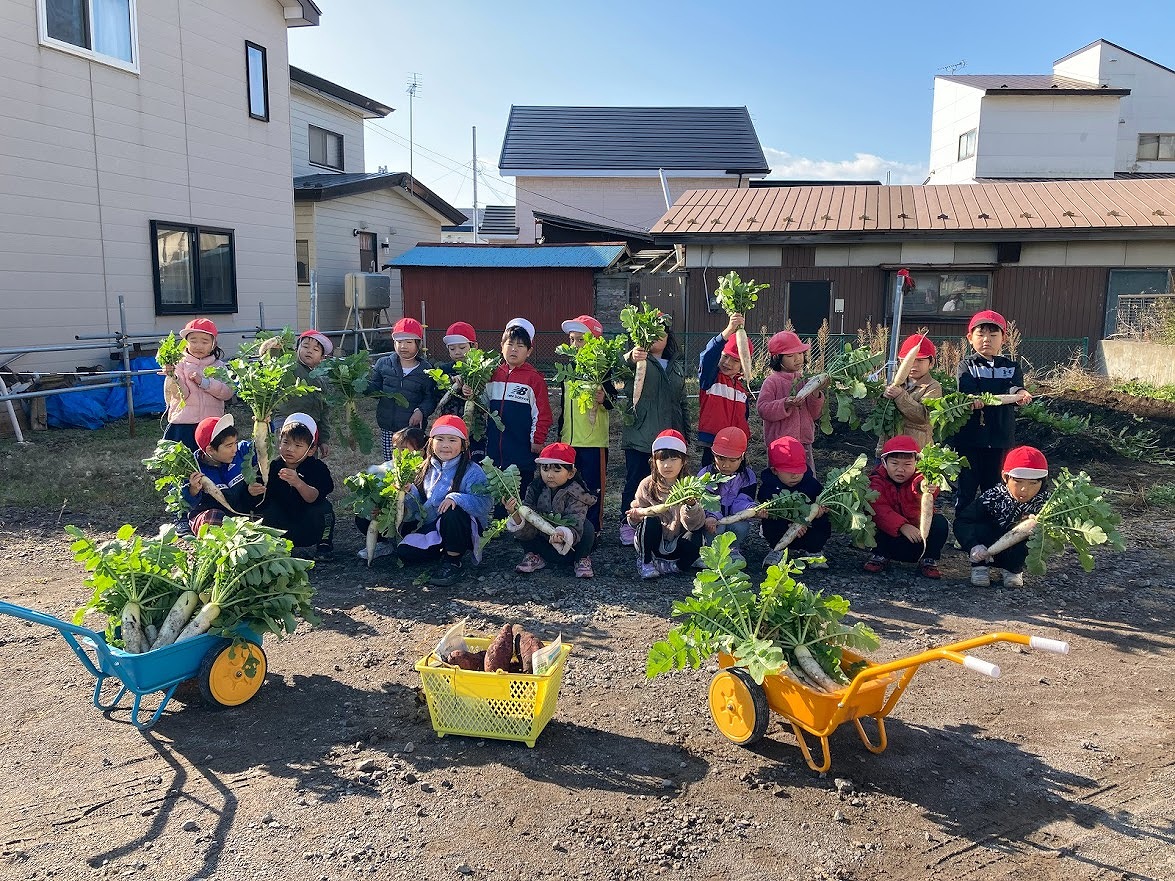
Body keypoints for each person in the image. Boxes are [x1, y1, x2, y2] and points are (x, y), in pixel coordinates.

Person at [617, 315, 690, 546]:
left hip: (670, 436)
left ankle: (665, 524)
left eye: (663, 331)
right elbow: (615, 371)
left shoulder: (677, 365)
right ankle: (627, 522)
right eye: (653, 331)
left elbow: (682, 401)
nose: (658, 336)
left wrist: (685, 432)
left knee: (667, 482)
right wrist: (630, 357)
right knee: (636, 479)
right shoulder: (635, 360)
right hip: (640, 433)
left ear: (669, 337)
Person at [396, 415, 493, 587]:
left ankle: (453, 560)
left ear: (463, 445)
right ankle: (441, 549)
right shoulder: (424, 468)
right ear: (431, 443)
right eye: (439, 439)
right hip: (433, 525)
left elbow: (485, 503)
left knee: (453, 511)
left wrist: (456, 497)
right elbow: (419, 508)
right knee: (405, 553)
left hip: (463, 528)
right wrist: (409, 492)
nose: (445, 445)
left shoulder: (472, 471)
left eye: (452, 440)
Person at [954, 310, 1033, 509]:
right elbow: (967, 390)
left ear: (1003, 338)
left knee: (996, 489)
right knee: (966, 490)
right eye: (980, 334)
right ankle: (964, 533)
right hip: (970, 441)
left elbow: (1012, 387)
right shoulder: (966, 366)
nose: (986, 339)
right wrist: (973, 399)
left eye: (993, 335)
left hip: (1000, 439)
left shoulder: (1012, 367)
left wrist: (1021, 393)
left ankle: (991, 533)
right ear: (970, 338)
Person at [954, 446, 1049, 589]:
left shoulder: (1046, 505)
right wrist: (972, 545)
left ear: (1042, 482)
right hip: (984, 548)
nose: (1024, 489)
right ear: (1005, 477)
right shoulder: (992, 497)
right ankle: (980, 567)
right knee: (981, 526)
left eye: (1033, 483)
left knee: (1032, 535)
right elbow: (962, 521)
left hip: (1015, 553)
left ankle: (1013, 569)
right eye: (1018, 481)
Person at [555, 314, 614, 545]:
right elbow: (563, 405)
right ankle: (571, 527)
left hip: (593, 442)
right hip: (569, 440)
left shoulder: (603, 368)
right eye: (572, 339)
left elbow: (612, 400)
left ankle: (593, 530)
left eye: (581, 340)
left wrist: (604, 397)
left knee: (592, 488)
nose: (575, 345)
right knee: (569, 486)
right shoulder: (567, 368)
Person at [481, 318, 553, 503]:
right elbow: (481, 404)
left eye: (520, 346)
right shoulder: (491, 374)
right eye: (510, 344)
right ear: (502, 346)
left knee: (520, 490)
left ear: (529, 351)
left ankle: (520, 528)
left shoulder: (534, 379)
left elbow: (542, 414)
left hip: (521, 446)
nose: (514, 349)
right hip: (495, 446)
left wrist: (537, 440)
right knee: (497, 488)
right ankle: (499, 525)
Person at [506, 442, 597, 579]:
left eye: (556, 470)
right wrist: (514, 513)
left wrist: (562, 533)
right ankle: (533, 555)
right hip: (543, 545)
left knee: (588, 527)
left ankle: (581, 559)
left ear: (571, 473)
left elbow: (576, 519)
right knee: (526, 522)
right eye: (545, 469)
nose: (549, 475)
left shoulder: (578, 493)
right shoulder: (535, 488)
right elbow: (527, 517)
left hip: (570, 548)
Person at [250, 413, 335, 559]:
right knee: (263, 507)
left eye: (298, 445)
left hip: (308, 528)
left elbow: (313, 498)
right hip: (281, 527)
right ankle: (273, 545)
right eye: (286, 443)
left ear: (311, 451)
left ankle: (324, 544)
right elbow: (258, 498)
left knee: (325, 509)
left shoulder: (317, 468)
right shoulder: (271, 467)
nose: (290, 449)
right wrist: (252, 491)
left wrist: (298, 483)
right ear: (279, 442)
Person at [862, 435, 948, 579]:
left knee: (939, 523)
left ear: (916, 463)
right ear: (884, 463)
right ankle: (880, 555)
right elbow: (878, 508)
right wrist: (902, 526)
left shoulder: (921, 478)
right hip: (891, 536)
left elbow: (920, 483)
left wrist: (926, 487)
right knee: (870, 518)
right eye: (894, 464)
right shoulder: (876, 480)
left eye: (907, 465)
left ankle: (928, 559)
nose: (900, 470)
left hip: (919, 536)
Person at [627, 430, 706, 579]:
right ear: (654, 462)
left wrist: (691, 506)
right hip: (654, 543)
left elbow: (694, 525)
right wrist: (635, 517)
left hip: (678, 541)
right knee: (649, 519)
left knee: (697, 535)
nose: (667, 465)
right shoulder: (646, 485)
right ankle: (646, 561)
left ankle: (677, 566)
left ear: (683, 461)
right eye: (662, 460)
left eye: (674, 459)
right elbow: (636, 519)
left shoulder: (691, 486)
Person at [354, 426, 427, 563]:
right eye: (395, 449)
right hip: (389, 518)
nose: (398, 454)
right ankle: (382, 544)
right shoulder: (386, 468)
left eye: (404, 449)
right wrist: (376, 508)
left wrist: (407, 508)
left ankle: (406, 544)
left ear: (421, 451)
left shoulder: (426, 471)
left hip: (412, 522)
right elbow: (377, 492)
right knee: (362, 516)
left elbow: (425, 506)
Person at [368, 317, 437, 461]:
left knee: (413, 462)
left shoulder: (426, 370)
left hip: (412, 428)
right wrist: (359, 385)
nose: (403, 346)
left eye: (409, 342)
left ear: (418, 344)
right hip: (388, 424)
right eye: (399, 342)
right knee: (391, 461)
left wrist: (421, 411)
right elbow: (374, 389)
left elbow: (430, 398)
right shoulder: (383, 364)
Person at [757, 330, 826, 472]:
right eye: (790, 356)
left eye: (800, 354)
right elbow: (763, 409)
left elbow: (814, 413)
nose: (798, 359)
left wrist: (816, 392)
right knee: (781, 481)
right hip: (781, 446)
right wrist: (785, 404)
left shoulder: (804, 380)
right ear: (777, 358)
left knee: (805, 479)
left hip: (804, 443)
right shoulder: (772, 382)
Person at [759, 436, 832, 569]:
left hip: (807, 525)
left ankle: (814, 551)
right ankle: (777, 549)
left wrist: (820, 510)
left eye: (799, 470)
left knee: (823, 521)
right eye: (789, 471)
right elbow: (764, 500)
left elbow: (819, 499)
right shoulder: (769, 486)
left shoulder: (811, 484)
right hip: (782, 525)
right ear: (775, 470)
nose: (795, 475)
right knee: (771, 521)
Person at [161, 318, 234, 451]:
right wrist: (173, 378)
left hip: (211, 424)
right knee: (184, 462)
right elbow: (181, 395)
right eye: (193, 341)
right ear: (185, 343)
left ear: (213, 344)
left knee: (209, 461)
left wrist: (205, 383)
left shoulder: (219, 366)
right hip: (184, 423)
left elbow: (227, 392)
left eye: (204, 341)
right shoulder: (180, 364)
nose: (198, 346)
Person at [183, 414, 257, 534]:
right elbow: (184, 505)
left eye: (235, 443)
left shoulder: (240, 453)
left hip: (239, 514)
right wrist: (192, 490)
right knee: (213, 518)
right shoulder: (192, 469)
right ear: (210, 450)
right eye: (229, 446)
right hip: (211, 517)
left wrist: (264, 424)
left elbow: (262, 446)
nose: (234, 449)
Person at [697, 312, 751, 469]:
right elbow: (707, 358)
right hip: (713, 442)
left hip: (736, 446)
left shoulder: (742, 390)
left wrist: (744, 436)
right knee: (710, 483)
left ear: (743, 364)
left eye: (735, 360)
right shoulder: (711, 379)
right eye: (725, 356)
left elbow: (744, 417)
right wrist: (728, 331)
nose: (728, 363)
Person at [697, 426, 757, 565]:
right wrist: (711, 516)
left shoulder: (748, 477)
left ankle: (733, 549)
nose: (726, 465)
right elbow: (705, 500)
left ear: (742, 457)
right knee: (717, 526)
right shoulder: (705, 475)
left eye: (732, 460)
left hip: (733, 517)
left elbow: (744, 499)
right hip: (711, 520)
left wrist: (751, 509)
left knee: (742, 526)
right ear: (713, 454)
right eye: (721, 458)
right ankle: (711, 550)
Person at [271, 330, 334, 458]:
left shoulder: (321, 382)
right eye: (305, 347)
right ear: (296, 350)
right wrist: (275, 346)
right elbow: (274, 358)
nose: (309, 351)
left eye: (315, 349)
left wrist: (324, 440)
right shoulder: (290, 367)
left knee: (308, 461)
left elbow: (324, 414)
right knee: (284, 457)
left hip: (310, 426)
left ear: (322, 358)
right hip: (285, 422)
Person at [877, 334, 943, 454]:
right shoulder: (895, 383)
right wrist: (884, 397)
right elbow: (880, 413)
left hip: (917, 450)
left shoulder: (933, 387)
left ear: (931, 362)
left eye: (920, 360)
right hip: (889, 448)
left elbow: (924, 416)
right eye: (910, 360)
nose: (914, 365)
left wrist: (900, 396)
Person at [436, 321, 477, 421]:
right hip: (448, 424)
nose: (457, 352)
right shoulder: (443, 370)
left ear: (474, 346)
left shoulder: (481, 370)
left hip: (476, 424)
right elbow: (436, 394)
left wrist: (472, 392)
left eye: (462, 347)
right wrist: (452, 383)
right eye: (452, 349)